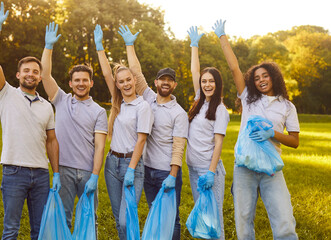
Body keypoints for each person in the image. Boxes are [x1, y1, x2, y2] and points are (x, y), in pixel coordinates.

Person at [213, 19, 300, 239]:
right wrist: (222, 37)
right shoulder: (249, 100)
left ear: (274, 77)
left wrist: (273, 134)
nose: (261, 80)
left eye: (265, 76)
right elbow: (234, 68)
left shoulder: (287, 106)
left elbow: (294, 141)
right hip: (245, 168)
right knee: (243, 222)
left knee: (284, 220)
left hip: (272, 170)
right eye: (257, 77)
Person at [0, 2, 60, 239]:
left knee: (39, 230)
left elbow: (51, 141)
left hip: (40, 174)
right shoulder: (5, 93)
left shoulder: (47, 106)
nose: (31, 74)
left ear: (39, 77)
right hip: (14, 171)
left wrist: (55, 173)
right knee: (11, 230)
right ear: (18, 75)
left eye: (35, 71)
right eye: (26, 70)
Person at [118, 25, 189, 239]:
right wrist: (129, 45)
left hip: (166, 173)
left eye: (170, 80)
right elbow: (137, 74)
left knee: (171, 218)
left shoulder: (179, 113)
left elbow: (178, 147)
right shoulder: (147, 98)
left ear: (174, 84)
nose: (165, 83)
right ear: (156, 82)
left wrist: (173, 175)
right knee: (154, 214)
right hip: (146, 170)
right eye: (162, 79)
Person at [40, 22, 108, 231]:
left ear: (91, 83)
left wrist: (95, 176)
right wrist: (48, 47)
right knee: (63, 217)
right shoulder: (61, 99)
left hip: (88, 171)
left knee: (90, 220)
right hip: (65, 170)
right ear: (70, 83)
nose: (80, 83)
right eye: (76, 80)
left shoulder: (98, 111)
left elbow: (99, 147)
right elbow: (45, 75)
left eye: (84, 80)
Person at [94, 24, 153, 240]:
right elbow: (107, 73)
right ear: (117, 85)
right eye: (122, 81)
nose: (126, 83)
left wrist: (131, 168)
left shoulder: (143, 106)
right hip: (111, 164)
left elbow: (141, 140)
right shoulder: (117, 102)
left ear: (134, 81)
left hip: (133, 166)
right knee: (118, 217)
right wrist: (99, 47)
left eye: (129, 79)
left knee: (125, 219)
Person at [186, 26, 230, 239]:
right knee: (203, 218)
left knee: (215, 220)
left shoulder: (220, 109)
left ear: (218, 83)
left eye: (211, 81)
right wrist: (194, 45)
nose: (207, 84)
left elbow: (218, 143)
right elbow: (195, 71)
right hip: (193, 169)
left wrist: (211, 172)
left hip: (208, 171)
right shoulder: (198, 101)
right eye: (204, 81)